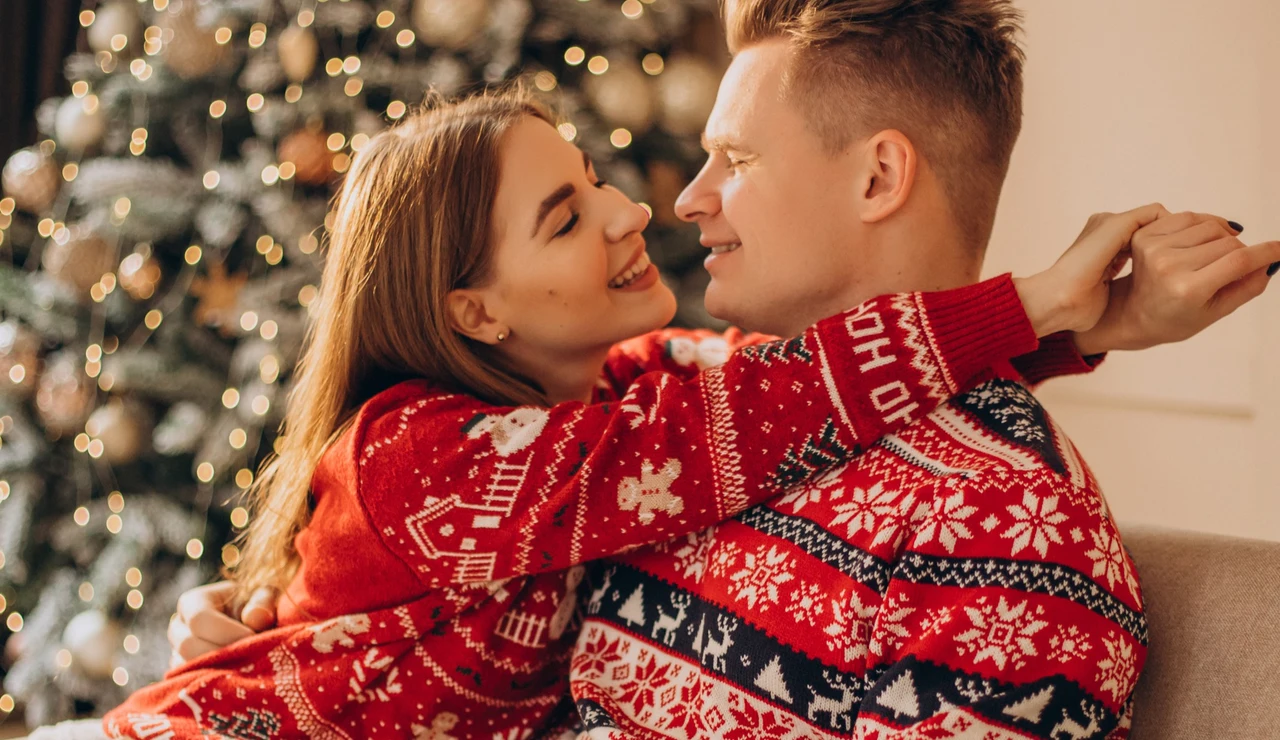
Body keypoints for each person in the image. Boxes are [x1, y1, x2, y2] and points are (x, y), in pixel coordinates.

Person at [122, 4, 1279, 740]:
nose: (672, 203)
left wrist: (1081, 324)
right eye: (569, 210)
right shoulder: (664, 399)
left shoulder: (1007, 524)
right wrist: (1048, 311)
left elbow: (779, 406)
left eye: (731, 158)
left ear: (879, 177)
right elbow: (762, 408)